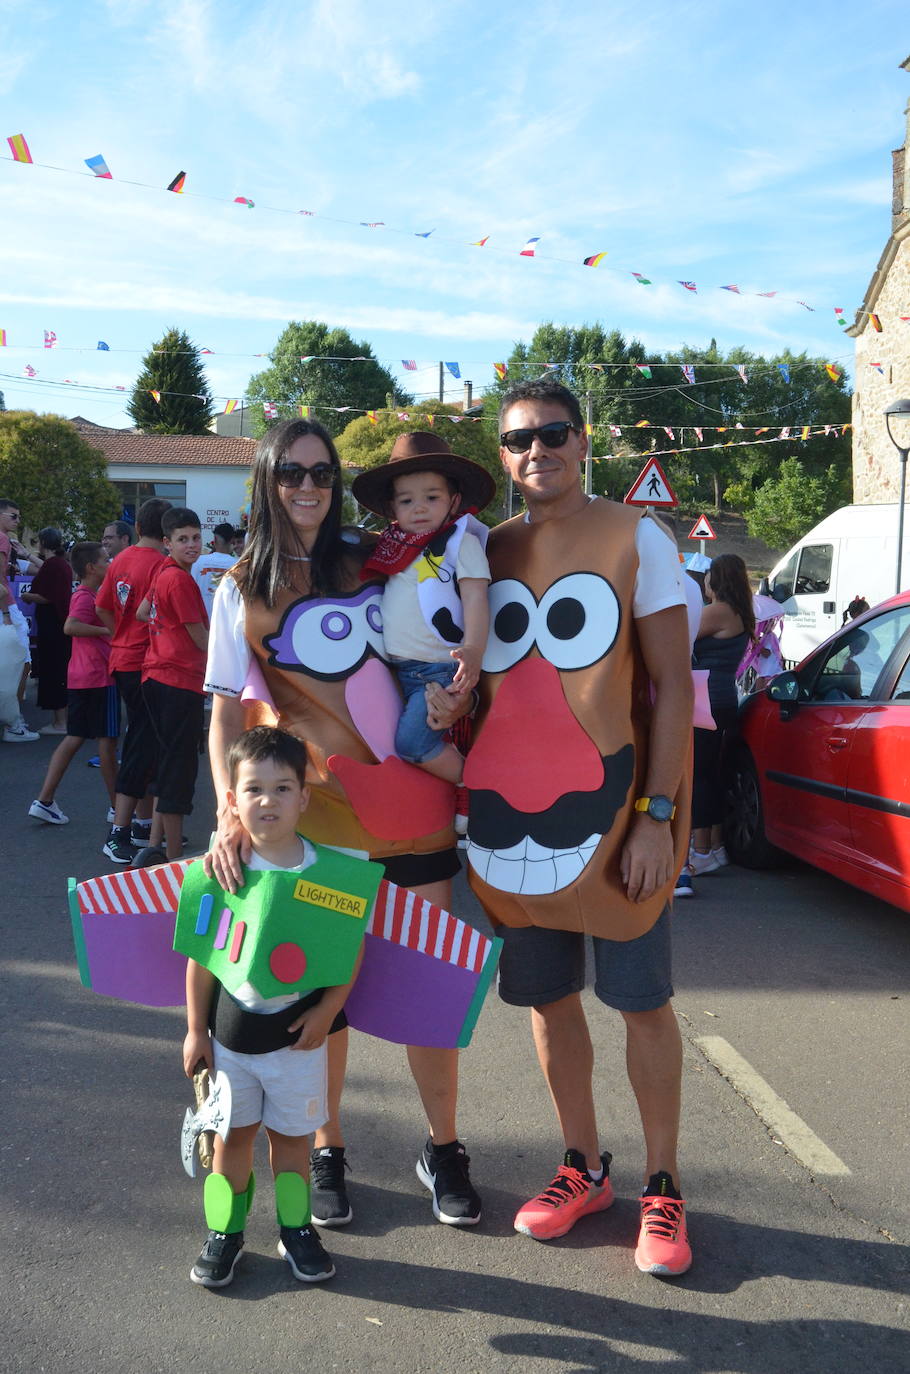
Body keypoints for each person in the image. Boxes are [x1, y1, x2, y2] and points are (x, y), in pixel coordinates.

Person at [204, 417, 481, 1230]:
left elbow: (452, 613)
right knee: (327, 999)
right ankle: (327, 1150)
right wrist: (229, 811)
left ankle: (445, 1145)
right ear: (265, 478)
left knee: (428, 990)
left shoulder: (376, 556)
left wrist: (456, 696)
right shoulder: (238, 589)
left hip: (414, 808)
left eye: (322, 473)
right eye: (291, 473)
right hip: (316, 824)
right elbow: (223, 713)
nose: (308, 488)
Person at [460, 379, 694, 1276]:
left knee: (640, 1002)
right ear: (503, 454)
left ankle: (663, 1186)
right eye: (518, 440)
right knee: (548, 1002)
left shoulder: (638, 536)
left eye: (552, 434)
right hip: (507, 831)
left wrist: (658, 816)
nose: (535, 452)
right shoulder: (489, 548)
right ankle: (582, 1166)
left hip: (618, 819)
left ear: (583, 440)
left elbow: (673, 685)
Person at [184, 726, 366, 1289]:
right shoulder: (222, 871)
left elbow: (348, 950)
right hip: (232, 1039)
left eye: (283, 788)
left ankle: (295, 1229)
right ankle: (225, 1233)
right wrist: (195, 1032)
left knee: (290, 1141)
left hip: (298, 1040)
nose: (269, 800)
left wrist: (328, 1011)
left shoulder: (331, 873)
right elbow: (201, 960)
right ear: (233, 800)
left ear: (304, 797)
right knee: (230, 1140)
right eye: (255, 789)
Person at [350, 433, 493, 785]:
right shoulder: (392, 547)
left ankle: (476, 786)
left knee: (411, 745)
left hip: (438, 671)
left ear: (453, 501)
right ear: (392, 509)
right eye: (407, 500)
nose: (419, 508)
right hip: (398, 672)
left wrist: (474, 651)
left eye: (432, 497)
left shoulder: (463, 544)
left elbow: (476, 598)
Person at [96, 498, 172, 863]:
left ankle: (142, 824)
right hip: (148, 664)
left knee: (145, 742)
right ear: (168, 531)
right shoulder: (163, 565)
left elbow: (101, 606)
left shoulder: (120, 560)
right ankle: (119, 831)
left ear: (138, 528)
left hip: (124, 660)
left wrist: (119, 635)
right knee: (144, 745)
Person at [133, 506, 209, 865]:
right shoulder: (178, 579)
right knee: (178, 768)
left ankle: (156, 845)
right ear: (168, 542)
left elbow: (142, 612)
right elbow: (201, 640)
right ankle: (175, 858)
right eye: (183, 540)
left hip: (156, 676)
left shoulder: (164, 570)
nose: (192, 545)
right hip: (178, 680)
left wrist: (164, 630)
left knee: (167, 763)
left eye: (195, 537)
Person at [27, 542, 119, 825]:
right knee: (106, 741)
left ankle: (44, 800)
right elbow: (70, 626)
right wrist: (107, 630)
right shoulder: (84, 594)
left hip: (83, 677)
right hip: (97, 677)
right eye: (106, 559)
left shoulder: (90, 593)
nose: (110, 562)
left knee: (76, 737)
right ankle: (118, 807)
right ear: (91, 567)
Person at [689, 554, 755, 876]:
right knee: (713, 773)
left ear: (717, 579)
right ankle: (715, 847)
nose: (704, 582)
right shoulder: (741, 612)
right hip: (724, 696)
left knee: (698, 775)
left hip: (705, 699)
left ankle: (699, 851)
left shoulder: (718, 611)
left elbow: (679, 635)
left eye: (708, 576)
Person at [19, 528, 72, 734]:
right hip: (57, 626)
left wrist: (28, 597)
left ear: (42, 542)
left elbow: (48, 597)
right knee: (59, 671)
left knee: (53, 671)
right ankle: (62, 720)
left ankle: (60, 722)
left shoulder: (54, 565)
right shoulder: (60, 564)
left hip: (52, 627)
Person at [0, 499, 38, 742]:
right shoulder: (2, 539)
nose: (18, 521)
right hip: (6, 607)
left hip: (6, 606)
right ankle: (14, 724)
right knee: (17, 663)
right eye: (14, 516)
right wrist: (5, 614)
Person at [192, 521, 237, 621]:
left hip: (201, 623)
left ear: (215, 539)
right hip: (227, 624)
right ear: (232, 541)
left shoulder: (197, 562)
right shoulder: (238, 565)